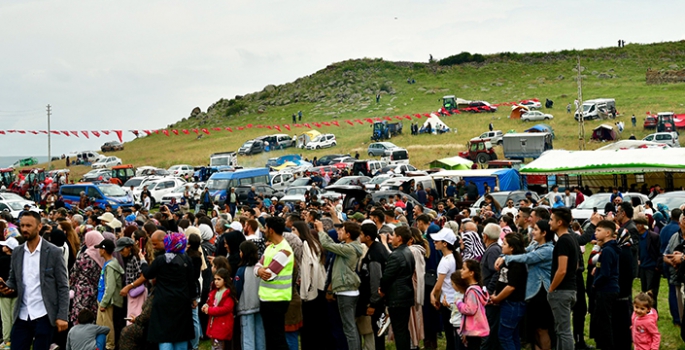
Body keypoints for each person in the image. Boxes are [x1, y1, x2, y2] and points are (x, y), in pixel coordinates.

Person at [0, 211, 69, 350]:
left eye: (28, 226)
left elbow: (63, 285)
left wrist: (62, 315)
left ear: (39, 227)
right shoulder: (17, 252)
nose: (24, 229)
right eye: (22, 225)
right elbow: (14, 280)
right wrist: (6, 287)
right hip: (22, 314)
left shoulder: (53, 252)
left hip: (44, 314)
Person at [496, 219, 555, 350]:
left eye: (535, 230)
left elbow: (526, 258)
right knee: (532, 331)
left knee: (542, 329)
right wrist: (502, 255)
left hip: (542, 293)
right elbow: (522, 251)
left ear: (544, 233)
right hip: (533, 293)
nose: (533, 232)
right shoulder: (535, 245)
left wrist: (506, 258)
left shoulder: (548, 250)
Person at [139, 232, 197, 350]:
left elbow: (148, 274)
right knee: (181, 333)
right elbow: (192, 281)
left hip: (163, 301)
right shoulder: (187, 259)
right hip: (182, 301)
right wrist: (193, 298)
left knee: (164, 334)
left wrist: (143, 261)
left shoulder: (161, 260)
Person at [316, 220, 363, 350]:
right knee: (350, 326)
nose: (338, 232)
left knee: (349, 328)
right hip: (348, 290)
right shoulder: (349, 246)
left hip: (346, 291)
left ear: (348, 234)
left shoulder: (349, 249)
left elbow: (327, 244)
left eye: (341, 230)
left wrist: (320, 230)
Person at [255, 217, 293, 350]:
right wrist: (259, 270)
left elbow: (268, 274)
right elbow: (258, 267)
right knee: (270, 338)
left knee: (277, 338)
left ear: (271, 230)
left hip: (277, 300)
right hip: (267, 299)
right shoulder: (271, 247)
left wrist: (259, 271)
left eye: (265, 228)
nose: (264, 231)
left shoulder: (285, 251)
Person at [379, 226, 415, 350]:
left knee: (399, 330)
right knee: (403, 329)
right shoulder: (408, 252)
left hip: (397, 297)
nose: (391, 238)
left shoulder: (396, 255)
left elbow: (387, 277)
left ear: (399, 238)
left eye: (393, 235)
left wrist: (382, 290)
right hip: (405, 295)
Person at [489, 233, 527, 350]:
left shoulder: (517, 264)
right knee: (512, 335)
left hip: (513, 304)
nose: (502, 246)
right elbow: (502, 281)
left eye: (504, 244)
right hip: (507, 303)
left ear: (512, 248)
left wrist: (497, 298)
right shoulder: (507, 259)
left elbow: (511, 286)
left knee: (504, 336)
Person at [547, 208, 578, 350]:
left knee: (564, 331)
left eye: (551, 220)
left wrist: (552, 288)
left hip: (562, 290)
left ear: (559, 222)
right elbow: (575, 265)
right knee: (560, 330)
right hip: (570, 289)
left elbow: (562, 269)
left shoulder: (563, 241)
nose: (549, 223)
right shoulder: (570, 238)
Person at [429, 227, 461, 350]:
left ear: (445, 243)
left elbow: (439, 285)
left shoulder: (445, 261)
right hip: (452, 300)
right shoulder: (452, 258)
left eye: (437, 241)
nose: (434, 243)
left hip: (447, 301)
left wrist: (434, 297)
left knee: (450, 336)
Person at [590, 220, 620, 349]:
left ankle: (607, 345)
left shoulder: (608, 250)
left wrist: (595, 284)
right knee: (603, 319)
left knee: (604, 321)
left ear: (608, 233)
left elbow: (605, 273)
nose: (595, 233)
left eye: (598, 230)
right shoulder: (608, 248)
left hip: (606, 288)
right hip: (609, 288)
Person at [358, 223, 388, 350]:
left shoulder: (375, 254)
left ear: (368, 237)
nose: (359, 237)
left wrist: (373, 304)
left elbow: (376, 279)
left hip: (377, 301)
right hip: (378, 299)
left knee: (378, 333)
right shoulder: (377, 248)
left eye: (361, 234)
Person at [69, 231, 106, 325]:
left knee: (80, 317)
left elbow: (74, 273)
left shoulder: (85, 256)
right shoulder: (102, 255)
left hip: (82, 290)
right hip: (96, 290)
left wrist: (71, 286)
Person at [94, 238, 124, 350]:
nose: (98, 251)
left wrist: (104, 303)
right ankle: (101, 346)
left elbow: (110, 287)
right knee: (100, 325)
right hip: (101, 298)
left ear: (104, 250)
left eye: (100, 249)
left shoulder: (111, 266)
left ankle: (109, 346)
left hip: (106, 301)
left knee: (107, 325)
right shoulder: (109, 263)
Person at [235, 241, 265, 350]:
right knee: (260, 335)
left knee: (248, 337)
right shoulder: (261, 269)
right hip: (259, 305)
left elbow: (237, 290)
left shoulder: (241, 270)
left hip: (246, 306)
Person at [456, 260, 490, 350]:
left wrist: (459, 303)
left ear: (471, 273)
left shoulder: (471, 291)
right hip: (476, 329)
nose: (461, 271)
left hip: (473, 329)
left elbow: (470, 309)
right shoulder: (478, 288)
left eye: (463, 269)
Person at [202, 268, 236, 350]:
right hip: (214, 325)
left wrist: (209, 310)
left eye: (219, 279)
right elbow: (211, 303)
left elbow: (225, 308)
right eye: (215, 279)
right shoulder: (214, 293)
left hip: (222, 326)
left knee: (218, 347)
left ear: (225, 280)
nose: (216, 281)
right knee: (215, 345)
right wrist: (205, 306)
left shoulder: (228, 293)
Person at [635, 214, 662, 311]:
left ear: (641, 225)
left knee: (652, 292)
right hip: (642, 267)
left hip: (652, 268)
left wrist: (657, 266)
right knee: (644, 291)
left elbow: (660, 252)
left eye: (636, 224)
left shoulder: (654, 237)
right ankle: (645, 310)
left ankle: (653, 312)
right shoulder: (637, 237)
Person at [0, 237, 20, 348]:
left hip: (4, 292)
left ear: (8, 249)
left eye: (5, 246)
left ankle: (7, 339)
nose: (3, 247)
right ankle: (14, 337)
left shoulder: (2, 260)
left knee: (5, 317)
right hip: (16, 292)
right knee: (14, 316)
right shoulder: (18, 260)